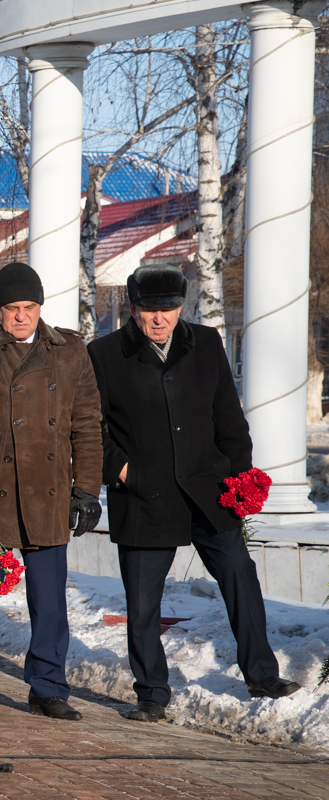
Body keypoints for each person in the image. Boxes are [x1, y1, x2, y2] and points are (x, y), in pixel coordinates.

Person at [87, 264, 302, 722]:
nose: (160, 318)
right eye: (150, 310)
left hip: (209, 490)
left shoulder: (206, 343)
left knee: (240, 578)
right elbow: (91, 428)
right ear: (133, 308)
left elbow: (229, 418)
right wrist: (123, 471)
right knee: (143, 604)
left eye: (169, 308)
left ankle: (262, 674)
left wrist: (240, 478)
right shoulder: (104, 354)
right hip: (144, 496)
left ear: (182, 307)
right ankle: (151, 693)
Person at [0, 262, 102, 720]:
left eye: (29, 307)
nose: (21, 317)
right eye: (12, 309)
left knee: (48, 600)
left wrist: (86, 489)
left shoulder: (70, 351)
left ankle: (48, 686)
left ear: (40, 307)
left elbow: (87, 425)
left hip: (48, 492)